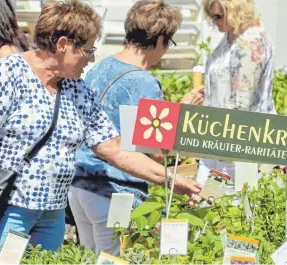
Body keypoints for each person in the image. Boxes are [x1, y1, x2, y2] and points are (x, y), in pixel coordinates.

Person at [0, 0, 201, 262]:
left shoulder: (76, 89)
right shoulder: (9, 72)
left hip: (52, 215)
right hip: (9, 211)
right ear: (63, 44)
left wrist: (171, 180)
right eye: (87, 50)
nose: (91, 58)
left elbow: (113, 148)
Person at [69, 0, 204, 256]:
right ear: (160, 40)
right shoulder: (143, 83)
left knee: (89, 258)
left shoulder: (102, 67)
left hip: (80, 188)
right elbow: (153, 150)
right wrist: (182, 112)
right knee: (116, 259)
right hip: (115, 192)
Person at [196, 0, 276, 179]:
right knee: (204, 201)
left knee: (225, 202)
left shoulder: (251, 41)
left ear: (235, 10)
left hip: (239, 145)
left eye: (218, 16)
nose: (214, 22)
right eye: (211, 16)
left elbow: (241, 104)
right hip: (218, 141)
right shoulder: (231, 37)